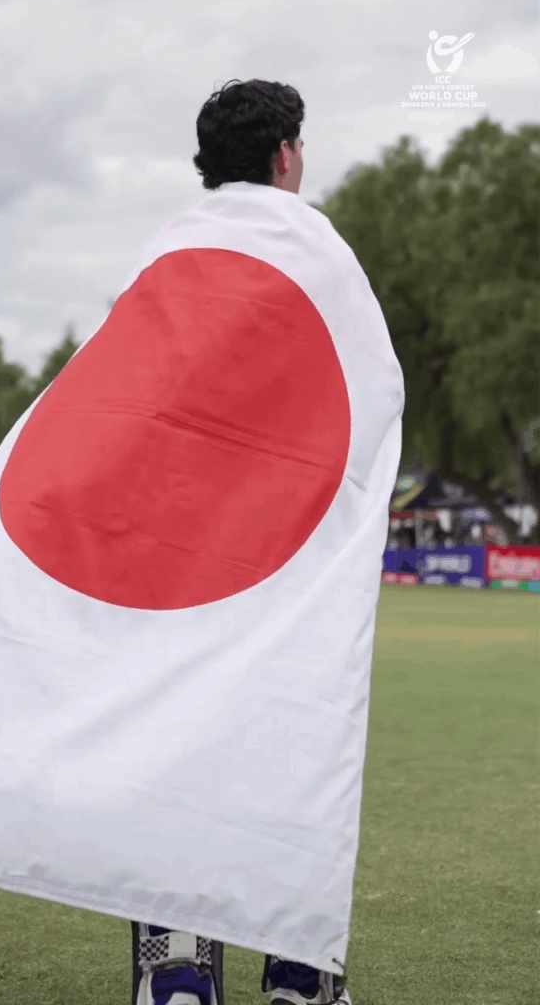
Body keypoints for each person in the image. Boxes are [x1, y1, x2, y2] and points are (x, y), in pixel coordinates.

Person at [131, 79, 351, 1005]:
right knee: (294, 749)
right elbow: (363, 398)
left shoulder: (164, 250)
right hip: (288, 555)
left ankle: (178, 969)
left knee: (177, 745)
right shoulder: (320, 249)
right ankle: (299, 973)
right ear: (286, 154)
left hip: (174, 553)